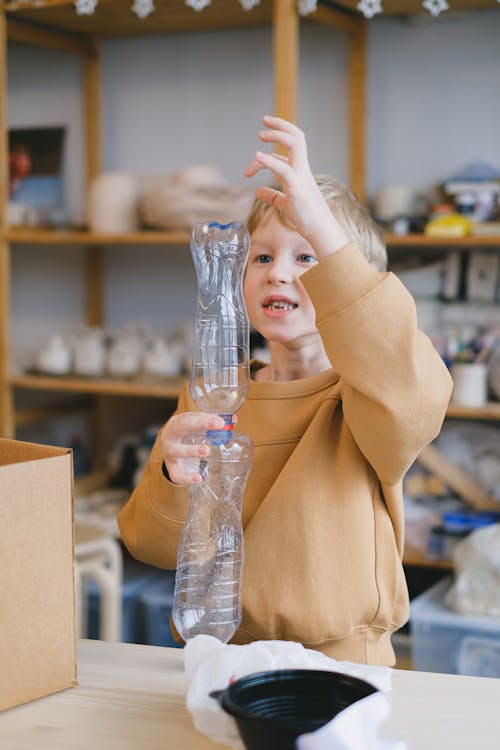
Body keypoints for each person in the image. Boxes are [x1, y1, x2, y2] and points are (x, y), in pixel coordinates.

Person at [118, 115, 452, 665]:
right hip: (219, 660)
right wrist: (170, 474)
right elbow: (153, 545)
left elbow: (410, 388)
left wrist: (321, 221)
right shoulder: (212, 398)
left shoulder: (367, 402)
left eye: (307, 257)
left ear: (350, 284)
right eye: (263, 256)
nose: (278, 274)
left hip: (342, 665)